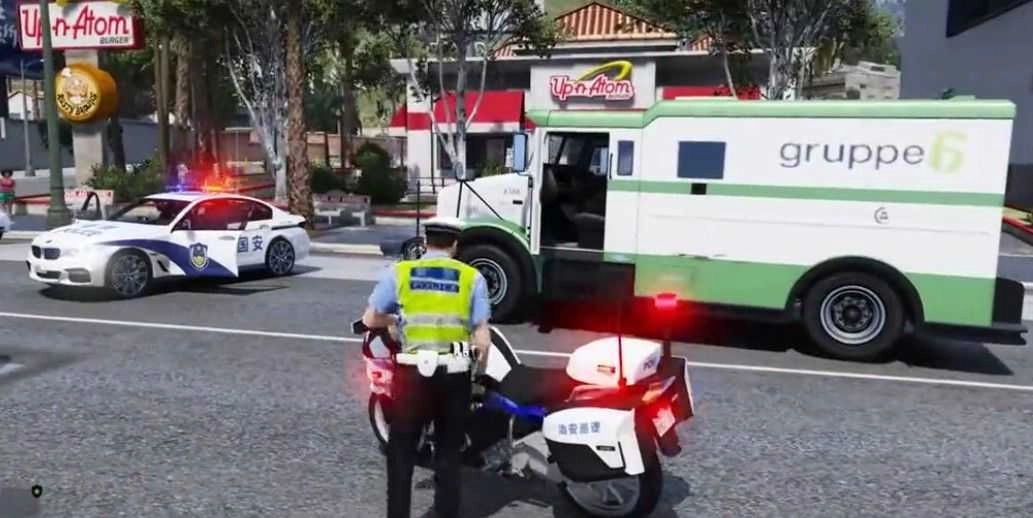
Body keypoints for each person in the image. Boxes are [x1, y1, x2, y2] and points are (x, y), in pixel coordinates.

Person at [361, 216, 492, 518]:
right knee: (448, 454)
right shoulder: (472, 278)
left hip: (412, 375)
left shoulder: (400, 272)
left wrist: (397, 321)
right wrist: (478, 377)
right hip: (454, 374)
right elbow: (482, 339)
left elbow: (370, 319)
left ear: (424, 241)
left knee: (401, 453)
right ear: (455, 245)